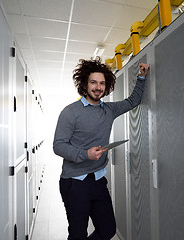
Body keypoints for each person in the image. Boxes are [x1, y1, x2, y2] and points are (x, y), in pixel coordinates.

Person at [53, 57, 150, 240]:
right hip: (74, 182)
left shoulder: (109, 110)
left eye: (102, 83)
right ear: (84, 84)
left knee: (107, 230)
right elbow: (58, 146)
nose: (98, 87)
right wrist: (85, 154)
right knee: (77, 234)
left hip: (97, 180)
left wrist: (142, 77)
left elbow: (132, 101)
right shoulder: (70, 112)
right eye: (93, 82)